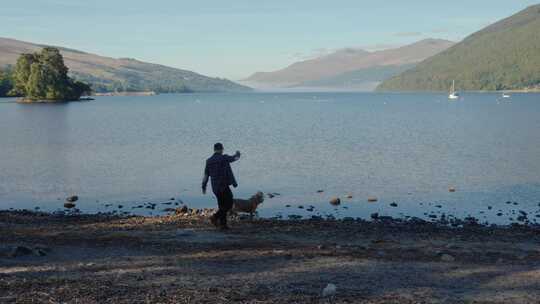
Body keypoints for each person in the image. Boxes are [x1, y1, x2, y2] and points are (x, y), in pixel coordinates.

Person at [202, 143, 241, 230]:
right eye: (222, 149)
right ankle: (215, 217)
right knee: (229, 203)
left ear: (214, 149)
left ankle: (223, 225)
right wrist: (238, 153)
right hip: (223, 186)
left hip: (215, 188)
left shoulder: (209, 161)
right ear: (221, 149)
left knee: (221, 205)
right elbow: (235, 158)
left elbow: (206, 175)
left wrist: (203, 186)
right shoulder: (224, 158)